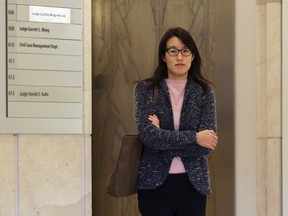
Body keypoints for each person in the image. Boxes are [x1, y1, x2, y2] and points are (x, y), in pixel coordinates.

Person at [133, 27, 218, 216]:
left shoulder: (204, 91)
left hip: (193, 184)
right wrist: (195, 137)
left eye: (185, 51)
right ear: (163, 56)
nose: (179, 57)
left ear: (192, 55)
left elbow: (207, 145)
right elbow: (149, 137)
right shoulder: (146, 89)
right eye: (173, 51)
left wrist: (163, 134)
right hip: (155, 185)